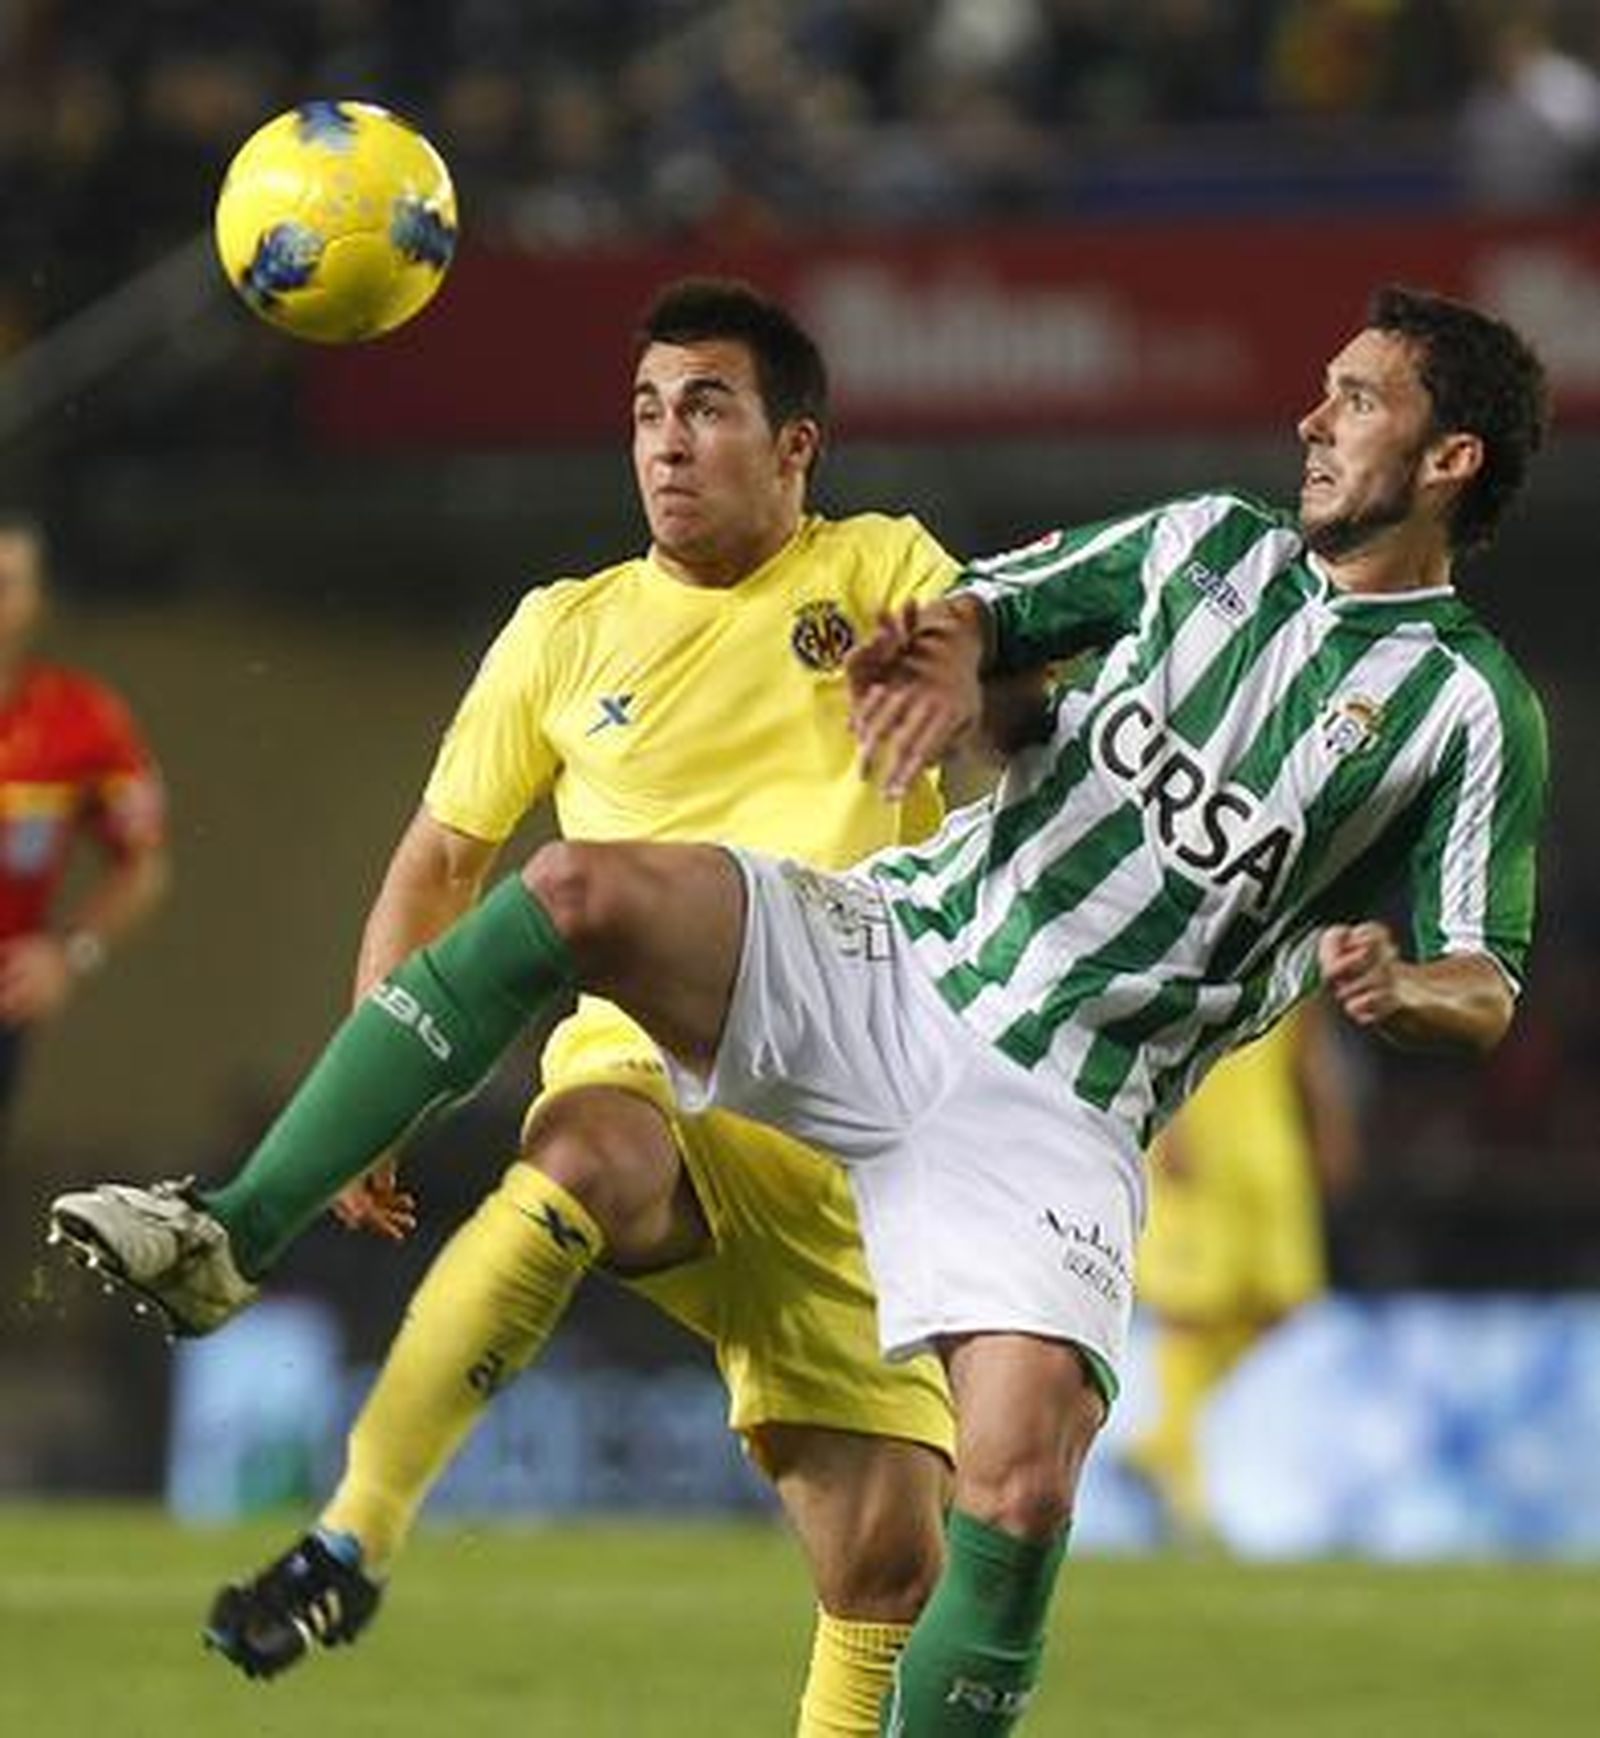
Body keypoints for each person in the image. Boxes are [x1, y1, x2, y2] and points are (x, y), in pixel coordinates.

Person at [53, 284, 1550, 1733]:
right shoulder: (1197, 547)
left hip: (1060, 1107)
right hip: (900, 951)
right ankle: (228, 1234)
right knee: (579, 896)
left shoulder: (1472, 711)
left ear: (1448, 456)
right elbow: (988, 609)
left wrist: (1408, 987)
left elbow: (1484, 979)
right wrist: (949, 661)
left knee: (1013, 1491)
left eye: (1354, 397)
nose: (1311, 415)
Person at [114, 280, 964, 1733]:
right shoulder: (562, 632)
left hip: (854, 1111)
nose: (666, 443)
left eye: (706, 407)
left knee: (885, 1573)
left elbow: (1001, 664)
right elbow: (442, 862)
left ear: (798, 445)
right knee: (581, 1138)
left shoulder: (881, 564)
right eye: (646, 411)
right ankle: (352, 1532)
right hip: (652, 1055)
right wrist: (365, 1085)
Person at [1125, 997, 1360, 1543]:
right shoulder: (1196, 926)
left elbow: (1311, 1045)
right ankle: (1180, 1477)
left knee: (1279, 1304)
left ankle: (1163, 1440)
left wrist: (1329, 1123)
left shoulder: (1304, 937)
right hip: (1200, 1139)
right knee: (1193, 1309)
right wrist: (1169, 1128)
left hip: (1269, 1145)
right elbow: (1162, 1031)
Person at [0, 512, 167, 1125]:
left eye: (2, 582)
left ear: (37, 600)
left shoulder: (82, 722)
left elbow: (143, 867)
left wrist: (69, 953)